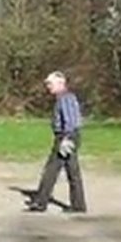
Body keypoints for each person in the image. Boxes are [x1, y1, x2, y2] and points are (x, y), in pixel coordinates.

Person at [26, 71, 87, 213]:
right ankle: (78, 205)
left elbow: (71, 121)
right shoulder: (64, 98)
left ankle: (41, 202)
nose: (48, 86)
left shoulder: (65, 99)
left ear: (60, 83)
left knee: (52, 170)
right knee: (71, 172)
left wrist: (66, 139)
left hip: (66, 137)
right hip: (68, 136)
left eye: (50, 83)